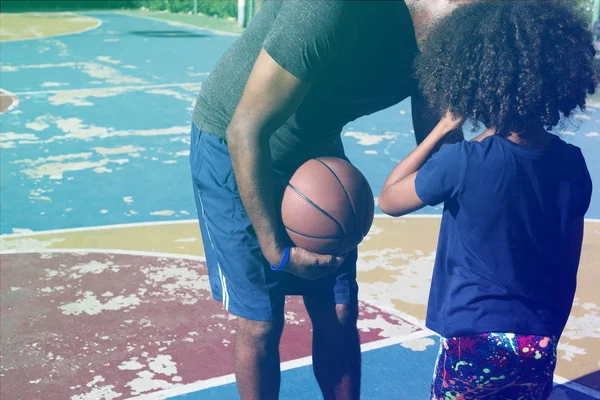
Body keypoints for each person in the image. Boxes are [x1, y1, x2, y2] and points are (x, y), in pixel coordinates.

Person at [189, 0, 465, 398]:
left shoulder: (443, 44)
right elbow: (245, 129)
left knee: (339, 312)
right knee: (262, 321)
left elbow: (441, 144)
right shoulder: (327, 8)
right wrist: (277, 251)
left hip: (315, 146)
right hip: (235, 140)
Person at [378, 1, 597, 399]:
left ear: (473, 78)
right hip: (539, 337)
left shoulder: (461, 161)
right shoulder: (571, 163)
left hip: (474, 336)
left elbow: (389, 198)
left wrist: (441, 128)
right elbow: (570, 262)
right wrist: (551, 329)